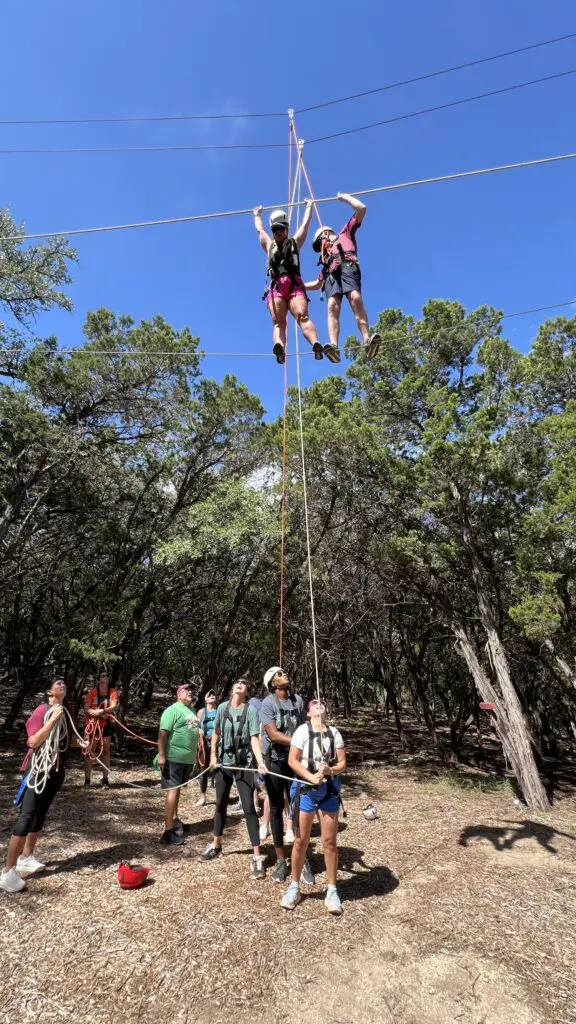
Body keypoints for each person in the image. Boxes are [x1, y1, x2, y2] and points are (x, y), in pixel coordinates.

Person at [1, 679, 70, 894]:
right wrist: (53, 720)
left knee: (40, 815)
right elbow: (33, 741)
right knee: (27, 815)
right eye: (58, 683)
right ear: (49, 691)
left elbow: (65, 740)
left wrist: (82, 743)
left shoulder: (63, 712)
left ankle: (27, 857)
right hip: (38, 771)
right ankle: (8, 872)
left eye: (64, 683)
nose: (63, 685)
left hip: (55, 772)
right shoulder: (42, 711)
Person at [281, 697, 346, 915]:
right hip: (306, 792)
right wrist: (309, 776)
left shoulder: (334, 733)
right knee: (301, 839)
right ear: (308, 713)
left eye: (322, 704)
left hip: (328, 792)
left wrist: (330, 771)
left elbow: (342, 763)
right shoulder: (301, 731)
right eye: (314, 704)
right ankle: (294, 886)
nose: (319, 705)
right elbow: (292, 760)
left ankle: (332, 890)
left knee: (329, 841)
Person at [305, 192, 382, 362]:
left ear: (326, 234)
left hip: (348, 266)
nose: (320, 247)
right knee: (332, 305)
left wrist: (345, 198)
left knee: (355, 298)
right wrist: (299, 286)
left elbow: (361, 209)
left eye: (319, 243)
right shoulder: (325, 262)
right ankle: (333, 346)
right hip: (332, 276)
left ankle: (367, 339)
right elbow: (318, 283)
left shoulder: (345, 234)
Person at [203, 679, 267, 879]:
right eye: (237, 683)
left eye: (244, 684)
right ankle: (216, 843)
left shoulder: (251, 711)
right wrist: (213, 755)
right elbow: (216, 733)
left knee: (249, 808)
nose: (240, 684)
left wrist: (260, 762)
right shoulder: (222, 708)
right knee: (220, 804)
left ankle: (257, 855)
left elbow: (254, 738)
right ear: (232, 689)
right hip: (225, 763)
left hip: (244, 765)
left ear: (247, 691)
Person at [260, 667, 314, 885]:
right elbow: (272, 734)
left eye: (284, 672)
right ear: (272, 683)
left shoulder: (298, 701)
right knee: (275, 807)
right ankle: (281, 859)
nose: (285, 675)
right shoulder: (268, 703)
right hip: (275, 761)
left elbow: (304, 726)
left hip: (296, 762)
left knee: (300, 806)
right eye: (279, 674)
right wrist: (297, 741)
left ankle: (302, 858)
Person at [254, 203, 324, 365]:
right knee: (279, 322)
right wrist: (257, 215)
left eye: (281, 229)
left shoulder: (294, 242)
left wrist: (309, 207)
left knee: (302, 316)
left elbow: (305, 225)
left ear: (287, 228)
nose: (278, 232)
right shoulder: (269, 245)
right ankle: (280, 348)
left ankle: (315, 344)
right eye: (275, 229)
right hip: (277, 287)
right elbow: (260, 230)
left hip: (294, 285)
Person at [157, 684, 199, 846]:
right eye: (186, 690)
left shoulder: (192, 710)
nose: (190, 692)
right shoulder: (172, 710)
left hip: (187, 759)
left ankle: (174, 820)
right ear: (178, 694)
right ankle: (168, 832)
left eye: (191, 690)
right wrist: (162, 755)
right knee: (172, 790)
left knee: (178, 790)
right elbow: (162, 734)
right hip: (173, 757)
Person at [83, 670, 119, 789]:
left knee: (106, 751)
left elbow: (113, 706)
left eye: (107, 676)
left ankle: (105, 779)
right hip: (93, 726)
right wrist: (96, 714)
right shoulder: (92, 692)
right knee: (90, 752)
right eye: (103, 676)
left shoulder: (112, 691)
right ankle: (87, 781)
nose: (106, 677)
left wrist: (102, 711)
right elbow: (86, 709)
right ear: (98, 679)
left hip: (106, 725)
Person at [196, 690, 218, 807]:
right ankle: (203, 796)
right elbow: (196, 727)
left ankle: (219, 796)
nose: (212, 697)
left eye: (214, 695)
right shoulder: (201, 712)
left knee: (219, 770)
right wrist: (199, 736)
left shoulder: (220, 711)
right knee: (203, 771)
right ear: (205, 699)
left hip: (218, 744)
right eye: (209, 695)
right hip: (204, 745)